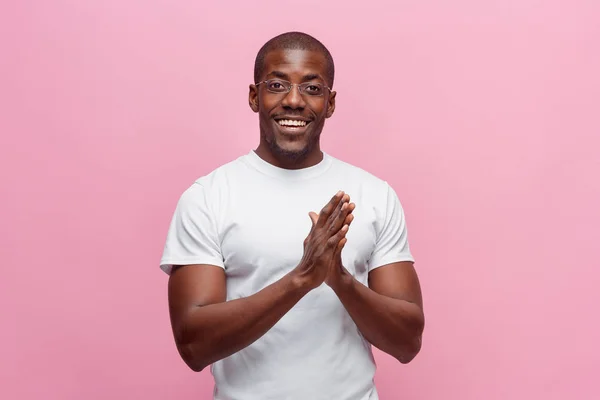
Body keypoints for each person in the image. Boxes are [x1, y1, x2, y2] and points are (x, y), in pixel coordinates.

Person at [160, 31, 424, 400]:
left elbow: (407, 342)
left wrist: (339, 279)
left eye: (312, 89)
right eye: (277, 85)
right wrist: (302, 278)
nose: (294, 101)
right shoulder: (207, 197)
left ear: (330, 104)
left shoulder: (374, 195)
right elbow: (194, 346)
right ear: (255, 97)